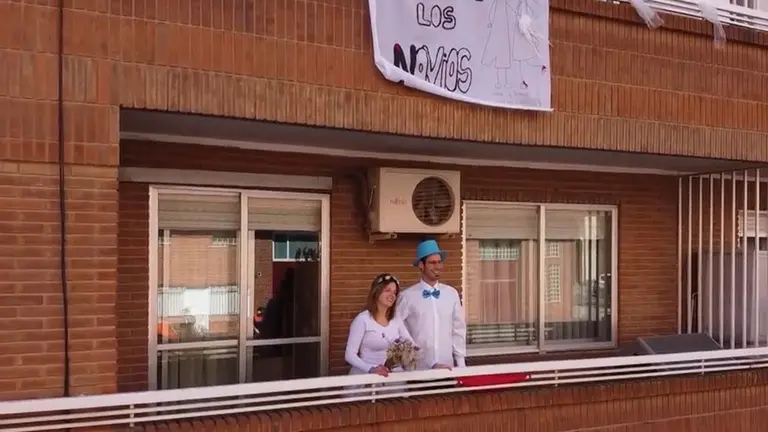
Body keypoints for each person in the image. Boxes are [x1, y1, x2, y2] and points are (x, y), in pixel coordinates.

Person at [396, 239, 467, 370]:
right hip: (417, 369)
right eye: (432, 262)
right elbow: (396, 328)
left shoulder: (451, 294)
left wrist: (461, 363)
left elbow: (458, 330)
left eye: (439, 262)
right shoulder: (407, 296)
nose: (438, 266)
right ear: (421, 265)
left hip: (447, 367)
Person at [344, 273, 417, 380]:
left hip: (392, 377)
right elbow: (349, 355)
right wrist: (371, 369)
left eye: (395, 292)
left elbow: (411, 345)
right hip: (367, 376)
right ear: (376, 292)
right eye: (388, 290)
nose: (392, 295)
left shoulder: (396, 319)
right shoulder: (363, 319)